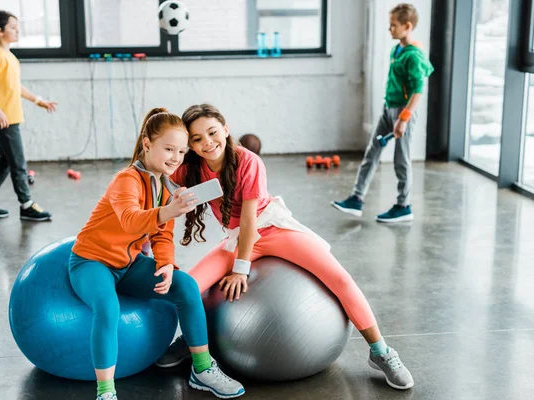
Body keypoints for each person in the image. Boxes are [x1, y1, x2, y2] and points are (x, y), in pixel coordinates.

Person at [155, 104, 414, 390]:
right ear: (189, 144)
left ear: (225, 130)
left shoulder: (249, 161)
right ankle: (190, 339)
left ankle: (381, 352)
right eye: (197, 139)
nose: (207, 143)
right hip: (236, 237)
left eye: (212, 133)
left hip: (271, 228)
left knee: (339, 277)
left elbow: (251, 219)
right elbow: (156, 172)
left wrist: (241, 269)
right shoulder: (192, 167)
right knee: (188, 285)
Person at [69, 108, 245, 400]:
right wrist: (170, 210)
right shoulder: (126, 180)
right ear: (147, 144)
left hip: (126, 265)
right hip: (91, 262)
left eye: (181, 151)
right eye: (169, 149)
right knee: (108, 308)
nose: (176, 158)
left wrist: (165, 264)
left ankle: (202, 368)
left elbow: (162, 234)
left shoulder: (164, 186)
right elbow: (130, 219)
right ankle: (106, 391)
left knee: (186, 284)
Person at [333, 3, 434, 223]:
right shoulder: (396, 49)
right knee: (372, 152)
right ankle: (356, 199)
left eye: (393, 26)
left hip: (402, 113)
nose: (390, 29)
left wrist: (403, 119)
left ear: (407, 26)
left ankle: (403, 205)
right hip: (388, 108)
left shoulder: (413, 56)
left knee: (401, 159)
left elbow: (418, 91)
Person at [0, 10, 56, 221]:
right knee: (18, 163)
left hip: (11, 117)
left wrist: (39, 101)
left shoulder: (9, 57)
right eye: (12, 28)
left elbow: (15, 86)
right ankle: (26, 205)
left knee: (6, 161)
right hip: (5, 119)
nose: (17, 31)